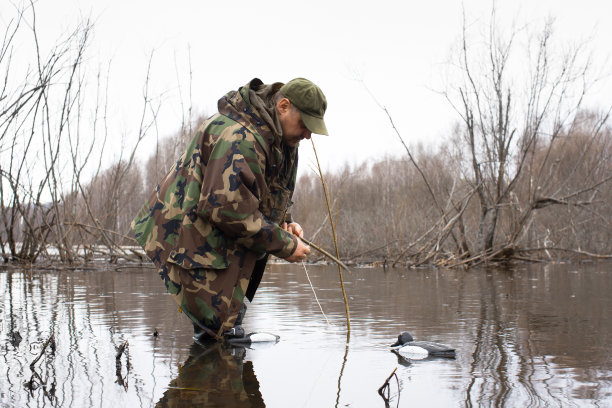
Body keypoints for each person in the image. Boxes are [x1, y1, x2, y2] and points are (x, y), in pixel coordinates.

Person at [131, 78, 328, 343]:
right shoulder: (240, 137)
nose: (307, 135)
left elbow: (265, 189)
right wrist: (285, 245)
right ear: (283, 106)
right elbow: (228, 212)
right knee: (214, 334)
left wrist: (285, 222)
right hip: (186, 236)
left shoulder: (279, 139)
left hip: (219, 242)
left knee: (221, 333)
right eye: (304, 125)